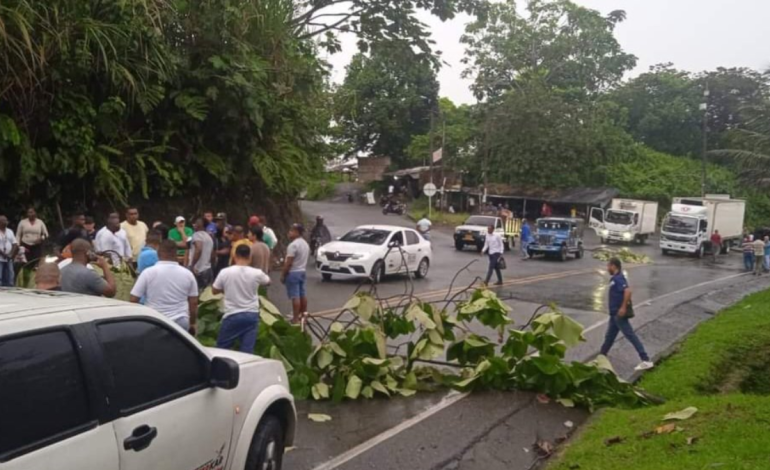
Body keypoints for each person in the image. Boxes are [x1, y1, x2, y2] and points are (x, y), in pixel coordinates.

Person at [129, 240, 199, 334]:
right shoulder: (188, 274)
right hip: (180, 321)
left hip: (155, 321)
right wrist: (192, 323)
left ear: (158, 253)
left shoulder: (148, 273)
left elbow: (134, 299)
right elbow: (193, 303)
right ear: (176, 254)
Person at [212, 244, 271, 353]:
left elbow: (214, 290)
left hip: (232, 314)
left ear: (234, 256)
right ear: (250, 257)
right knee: (247, 351)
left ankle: (222, 369)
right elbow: (268, 282)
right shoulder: (256, 273)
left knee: (222, 349)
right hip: (251, 315)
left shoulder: (225, 272)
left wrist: (227, 288)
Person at [600, 258, 654, 371]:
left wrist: (623, 307)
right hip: (614, 314)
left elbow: (628, 291)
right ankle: (601, 356)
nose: (607, 268)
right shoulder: (616, 278)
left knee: (630, 335)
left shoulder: (618, 278)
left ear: (614, 266)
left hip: (619, 314)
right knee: (609, 337)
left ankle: (646, 360)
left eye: (608, 266)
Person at [281, 223, 309, 323]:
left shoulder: (293, 245)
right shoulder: (305, 244)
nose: (289, 233)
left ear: (297, 233)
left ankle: (295, 318)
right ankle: (304, 314)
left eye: (291, 231)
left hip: (293, 272)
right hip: (302, 271)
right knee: (302, 294)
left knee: (295, 296)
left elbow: (289, 262)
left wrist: (283, 274)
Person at [189, 216, 214, 289]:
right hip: (208, 268)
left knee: (196, 292)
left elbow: (198, 249)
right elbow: (212, 254)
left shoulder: (197, 235)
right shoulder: (209, 237)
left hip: (198, 269)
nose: (194, 224)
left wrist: (193, 265)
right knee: (206, 295)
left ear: (201, 224)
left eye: (196, 223)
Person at [0, 215, 19, 287]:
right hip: (0, 257)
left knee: (11, 274)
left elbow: (15, 244)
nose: (6, 222)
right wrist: (4, 254)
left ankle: (10, 287)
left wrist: (11, 254)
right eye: (3, 220)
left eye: (6, 220)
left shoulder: (10, 231)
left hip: (9, 258)